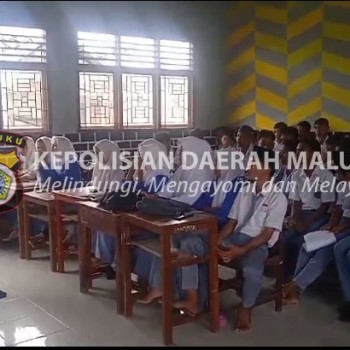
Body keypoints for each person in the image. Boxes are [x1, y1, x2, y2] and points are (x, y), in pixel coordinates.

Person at [138, 136, 215, 306]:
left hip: (199, 225)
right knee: (163, 242)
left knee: (175, 243)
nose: (178, 153)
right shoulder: (183, 170)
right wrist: (157, 197)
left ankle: (189, 298)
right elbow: (169, 190)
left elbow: (189, 200)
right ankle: (161, 287)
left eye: (181, 150)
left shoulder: (202, 172)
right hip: (182, 221)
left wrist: (164, 203)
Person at [217, 146, 288, 331]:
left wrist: (240, 250)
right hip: (237, 237)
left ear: (266, 168)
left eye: (252, 163)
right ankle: (206, 300)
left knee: (251, 271)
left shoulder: (278, 197)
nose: (248, 167)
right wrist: (218, 239)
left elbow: (266, 234)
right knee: (205, 253)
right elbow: (232, 222)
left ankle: (245, 307)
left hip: (258, 244)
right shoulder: (245, 189)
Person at [284, 150, 350, 305]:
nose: (339, 178)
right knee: (309, 243)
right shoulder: (343, 184)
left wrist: (339, 227)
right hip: (343, 224)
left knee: (327, 249)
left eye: (342, 174)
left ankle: (295, 285)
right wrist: (331, 225)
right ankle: (295, 286)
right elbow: (338, 210)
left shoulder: (328, 176)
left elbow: (334, 211)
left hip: (346, 227)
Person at [283, 139, 336, 281]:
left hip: (319, 215)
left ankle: (296, 280)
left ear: (314, 154)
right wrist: (294, 219)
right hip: (302, 214)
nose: (297, 153)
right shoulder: (296, 174)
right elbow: (296, 201)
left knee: (304, 239)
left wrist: (305, 222)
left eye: (302, 150)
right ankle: (284, 276)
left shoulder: (325, 175)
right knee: (285, 236)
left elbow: (325, 205)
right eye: (297, 150)